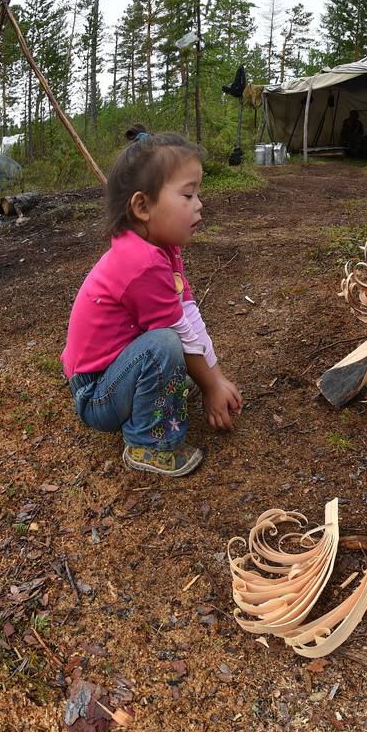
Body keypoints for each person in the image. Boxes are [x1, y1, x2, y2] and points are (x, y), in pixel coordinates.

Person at [61, 126, 243, 476]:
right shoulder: (141, 263)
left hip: (113, 373)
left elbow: (188, 312)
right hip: (95, 392)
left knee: (172, 342)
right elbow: (176, 330)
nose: (199, 204)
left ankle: (155, 392)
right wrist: (209, 385)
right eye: (188, 195)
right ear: (143, 206)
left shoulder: (162, 250)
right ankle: (147, 443)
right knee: (165, 343)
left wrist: (215, 378)